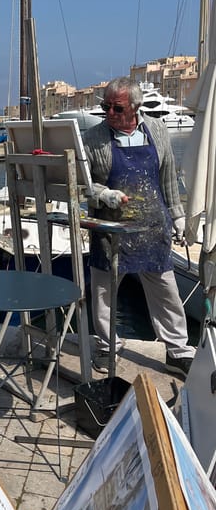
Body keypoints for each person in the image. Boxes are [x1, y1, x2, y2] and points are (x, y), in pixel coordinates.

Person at [83, 76, 195, 377]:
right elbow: (82, 184)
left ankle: (178, 351)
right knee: (104, 294)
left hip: (152, 228)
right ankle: (107, 348)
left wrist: (178, 215)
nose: (109, 113)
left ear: (135, 107)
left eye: (116, 108)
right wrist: (103, 194)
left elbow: (168, 178)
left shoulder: (157, 130)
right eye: (105, 107)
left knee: (166, 292)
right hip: (110, 229)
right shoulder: (93, 138)